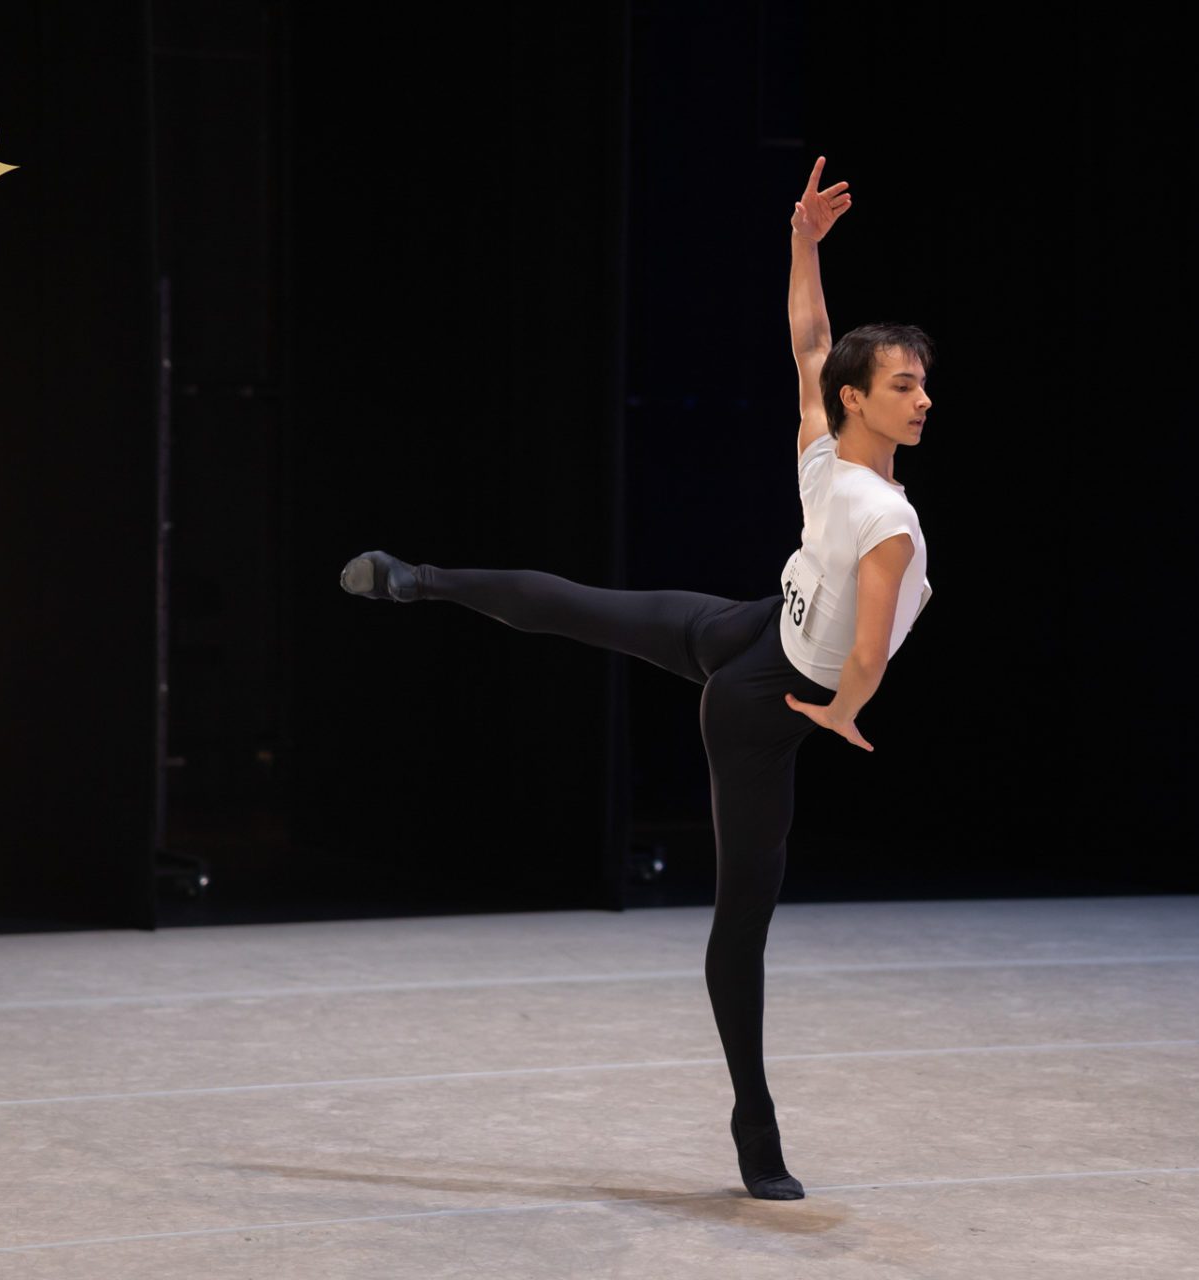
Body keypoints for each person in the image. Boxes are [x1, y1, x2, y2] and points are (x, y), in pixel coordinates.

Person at [338, 155, 933, 1201]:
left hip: (745, 630)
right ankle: (755, 1124)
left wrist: (802, 245)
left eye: (922, 382)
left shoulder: (824, 458)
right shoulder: (885, 516)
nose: (925, 398)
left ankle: (418, 578)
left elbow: (808, 342)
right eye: (904, 385)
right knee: (742, 920)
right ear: (859, 399)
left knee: (585, 606)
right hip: (763, 704)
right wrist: (841, 711)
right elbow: (869, 655)